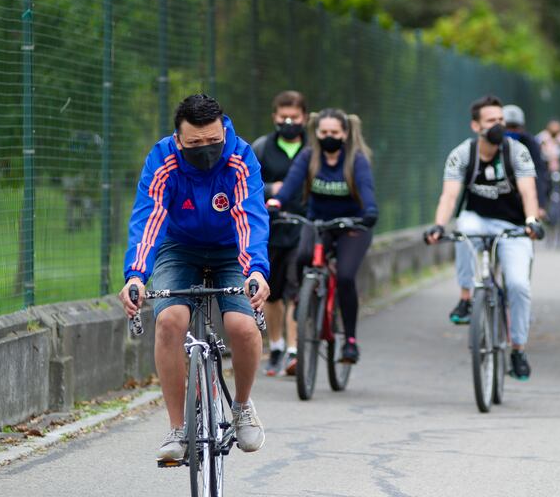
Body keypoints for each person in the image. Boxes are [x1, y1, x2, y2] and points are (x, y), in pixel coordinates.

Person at [117, 94, 270, 462]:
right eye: (194, 144)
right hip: (179, 248)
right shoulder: (163, 159)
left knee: (243, 326)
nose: (205, 149)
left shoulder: (240, 157)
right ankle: (177, 429)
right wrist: (136, 275)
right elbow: (149, 216)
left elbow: (250, 215)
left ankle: (243, 407)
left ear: (223, 130)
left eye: (213, 141)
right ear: (178, 138)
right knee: (169, 320)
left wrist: (255, 271)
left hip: (231, 250)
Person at [424, 95, 544, 380]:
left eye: (501, 120)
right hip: (478, 219)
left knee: (518, 285)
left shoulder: (517, 153)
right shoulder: (462, 154)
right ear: (475, 126)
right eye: (492, 121)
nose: (498, 125)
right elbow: (450, 195)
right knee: (464, 230)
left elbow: (529, 191)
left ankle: (517, 349)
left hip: (514, 226)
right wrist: (439, 226)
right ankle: (466, 297)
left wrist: (531, 221)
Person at [269, 108, 377, 364]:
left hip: (353, 225)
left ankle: (349, 341)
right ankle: (304, 299)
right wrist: (276, 202)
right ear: (316, 133)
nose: (329, 136)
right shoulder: (310, 157)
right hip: (319, 222)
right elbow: (291, 184)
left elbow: (366, 188)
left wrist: (370, 211)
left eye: (335, 132)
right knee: (303, 255)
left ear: (345, 133)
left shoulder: (356, 159)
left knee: (345, 276)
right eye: (324, 132)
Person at [251, 91, 309, 377]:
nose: (289, 122)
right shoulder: (262, 148)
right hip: (270, 228)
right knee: (272, 295)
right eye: (283, 117)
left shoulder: (313, 148)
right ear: (275, 117)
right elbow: (247, 184)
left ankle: (293, 352)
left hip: (302, 227)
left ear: (305, 118)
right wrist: (273, 190)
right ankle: (275, 346)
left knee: (295, 290)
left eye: (295, 118)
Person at [503, 104, 550, 217]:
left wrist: (540, 205)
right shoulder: (493, 144)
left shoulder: (530, 143)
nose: (511, 131)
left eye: (515, 127)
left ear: (522, 127)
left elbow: (538, 171)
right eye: (507, 127)